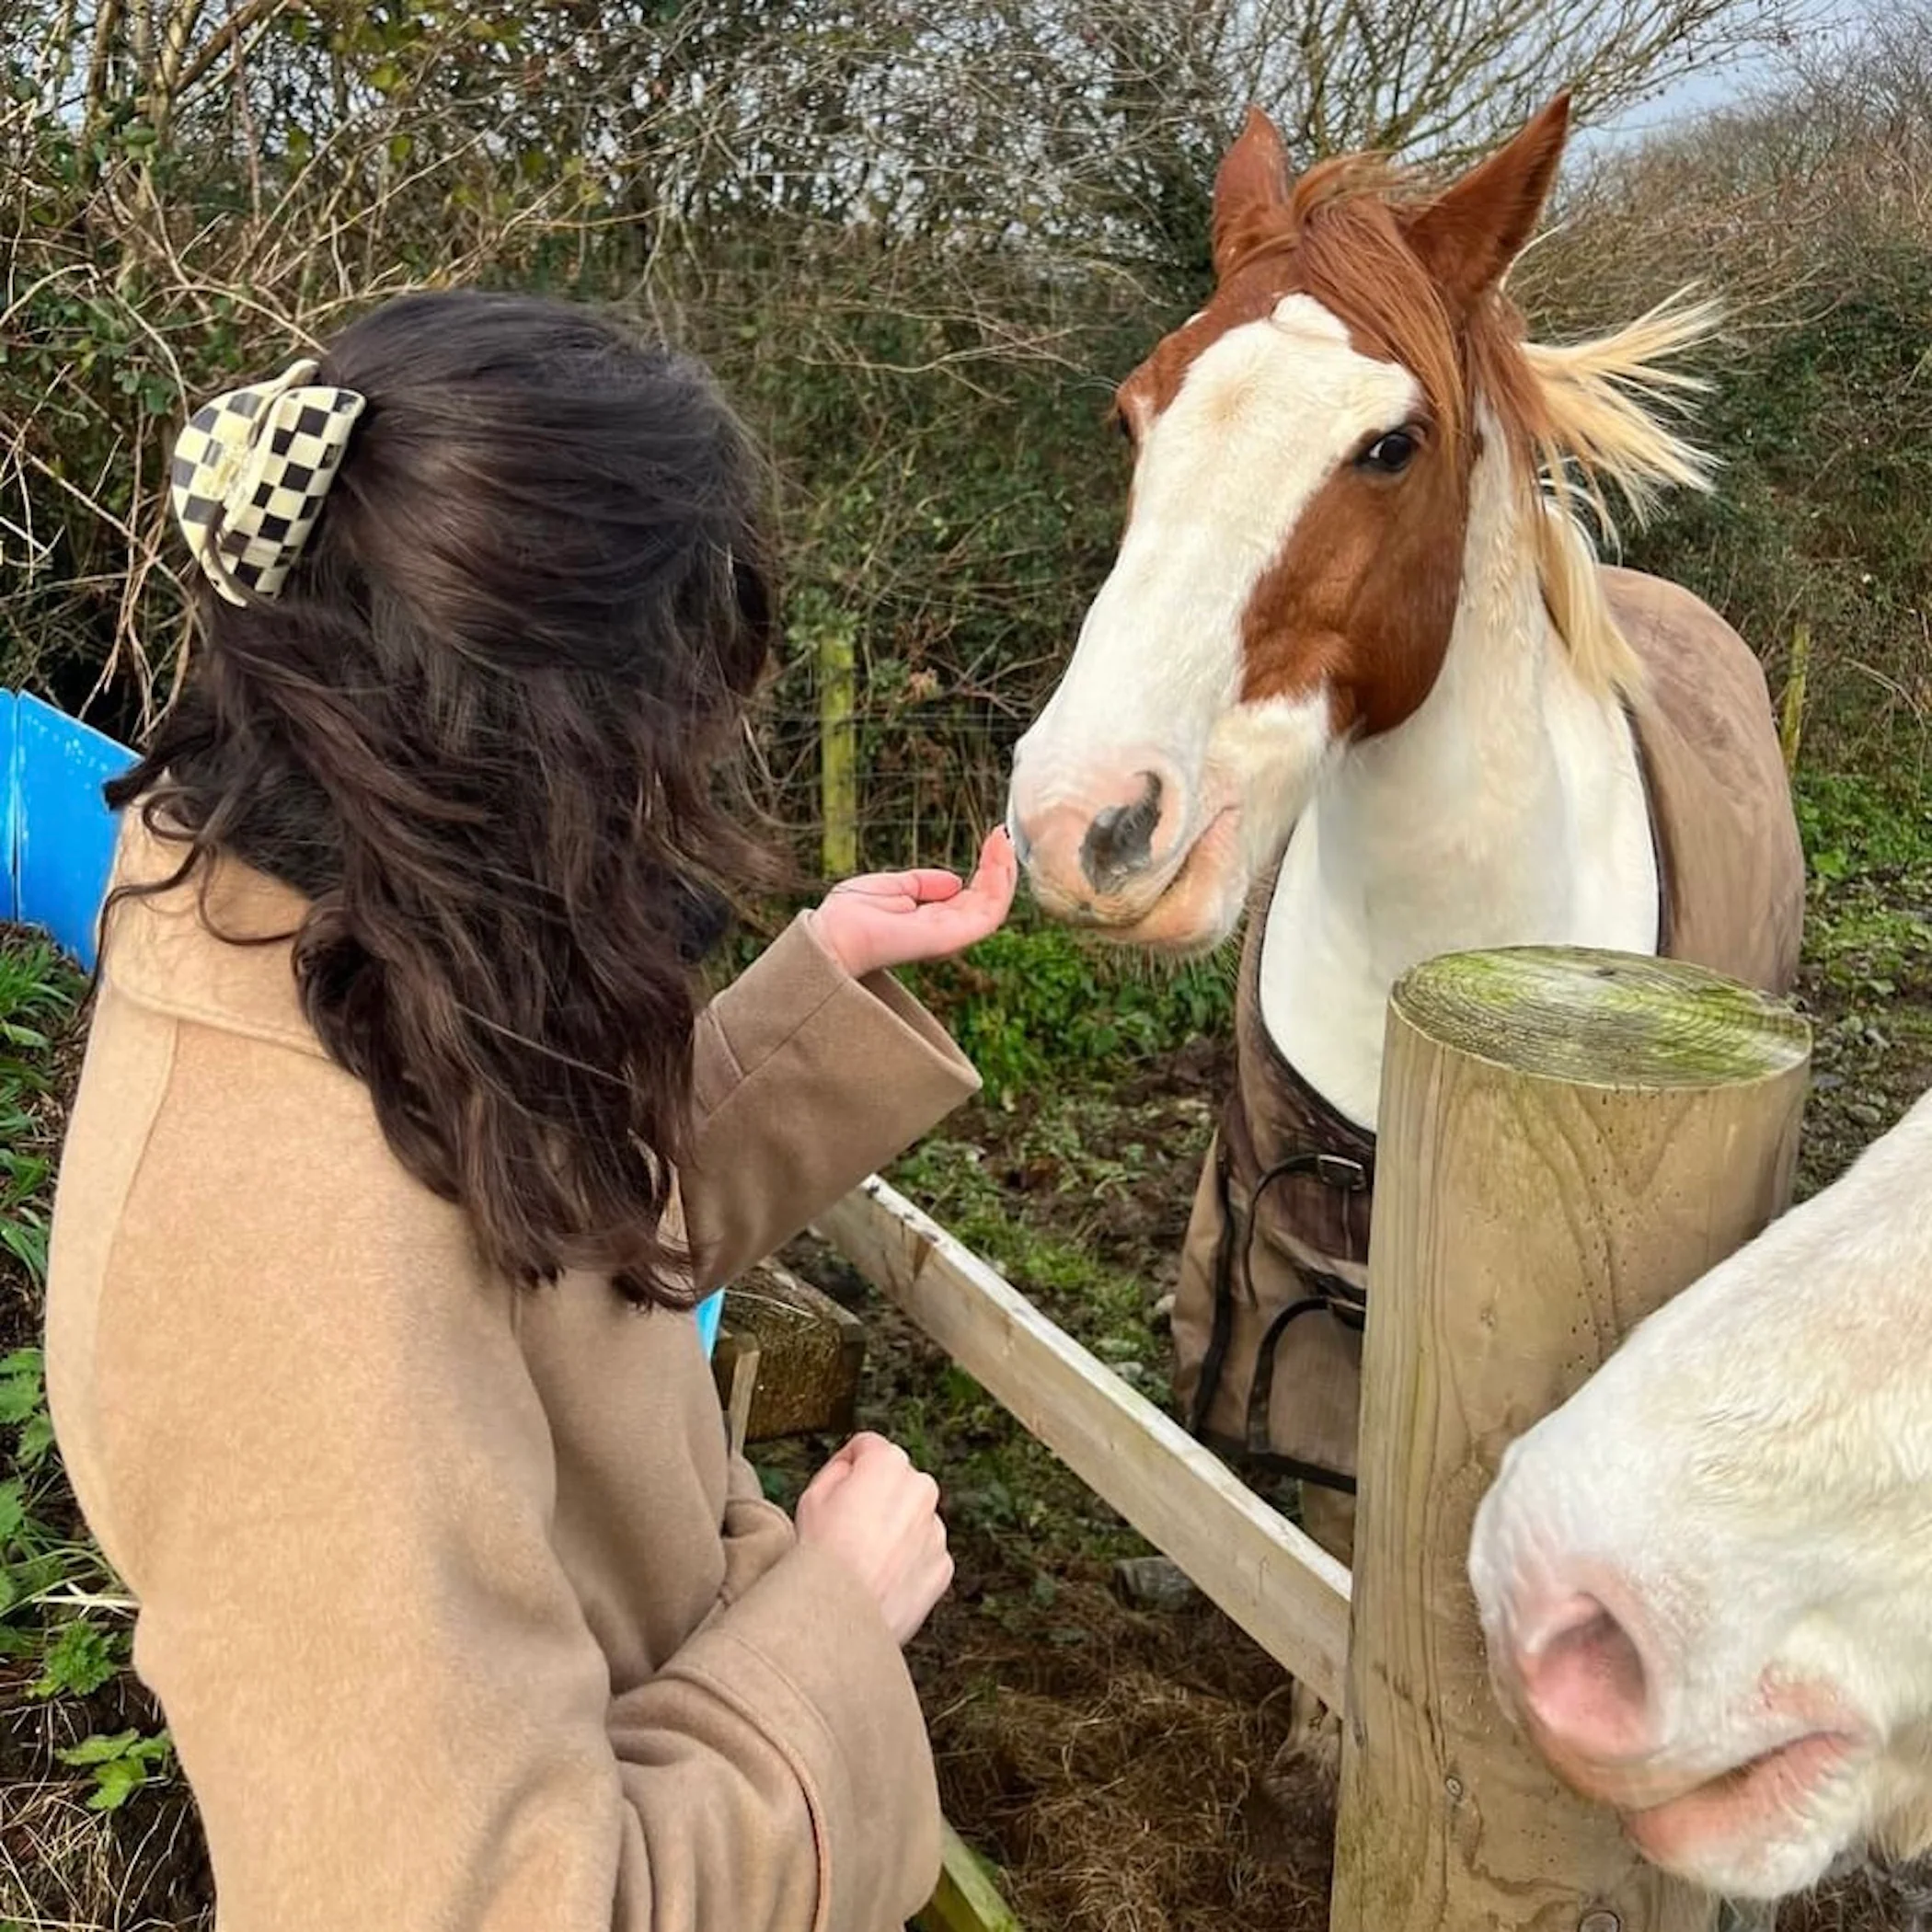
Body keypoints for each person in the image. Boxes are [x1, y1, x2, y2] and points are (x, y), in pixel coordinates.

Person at [43, 288, 1018, 1932]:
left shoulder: (324, 945)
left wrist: (811, 998)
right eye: (674, 749)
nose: (690, 802)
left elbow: (524, 1266)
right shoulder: (284, 1272)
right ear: (545, 753)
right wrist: (834, 1625)